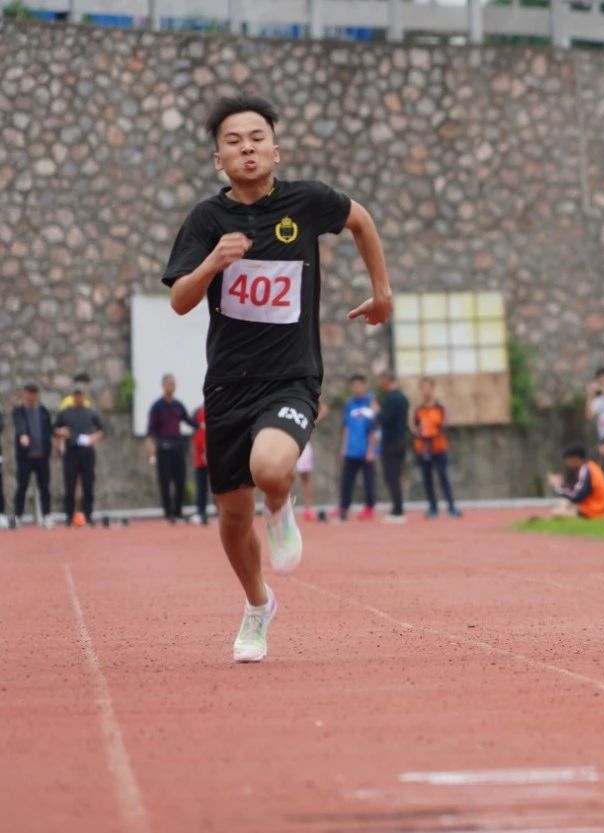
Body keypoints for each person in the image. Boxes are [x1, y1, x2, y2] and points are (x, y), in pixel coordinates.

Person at [163, 92, 392, 662]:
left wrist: (382, 293)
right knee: (231, 516)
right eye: (234, 141)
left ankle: (281, 504)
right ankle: (257, 606)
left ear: (276, 149)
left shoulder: (307, 203)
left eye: (256, 138)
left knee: (271, 468)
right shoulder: (206, 220)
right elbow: (179, 301)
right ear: (219, 159)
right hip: (227, 385)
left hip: (291, 376)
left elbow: (360, 220)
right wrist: (213, 262)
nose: (247, 148)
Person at [146, 373, 197, 524]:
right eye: (169, 384)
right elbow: (151, 429)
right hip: (163, 448)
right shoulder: (157, 406)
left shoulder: (178, 405)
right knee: (165, 481)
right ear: (163, 386)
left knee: (180, 480)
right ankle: (168, 513)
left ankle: (178, 511)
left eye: (174, 384)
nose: (172, 386)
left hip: (178, 447)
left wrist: (201, 425)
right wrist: (150, 446)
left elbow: (188, 420)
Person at [53, 384, 105, 527]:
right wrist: (60, 432)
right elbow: (54, 429)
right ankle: (69, 516)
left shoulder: (90, 412)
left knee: (88, 484)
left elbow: (103, 429)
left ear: (84, 396)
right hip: (71, 452)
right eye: (76, 395)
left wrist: (96, 437)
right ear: (72, 396)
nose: (78, 397)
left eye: (80, 394)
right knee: (69, 485)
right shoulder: (65, 413)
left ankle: (88, 515)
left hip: (87, 452)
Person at [413, 377, 460, 518]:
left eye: (427, 387)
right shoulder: (419, 410)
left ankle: (451, 506)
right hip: (424, 448)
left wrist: (436, 432)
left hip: (438, 447)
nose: (425, 391)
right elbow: (415, 427)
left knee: (443, 477)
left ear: (432, 389)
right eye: (423, 388)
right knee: (427, 480)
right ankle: (433, 507)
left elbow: (446, 424)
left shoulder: (440, 408)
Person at [12, 382, 55, 528]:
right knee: (22, 486)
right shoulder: (19, 411)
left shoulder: (43, 411)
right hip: (25, 457)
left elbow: (50, 429)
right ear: (25, 393)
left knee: (45, 487)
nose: (32, 395)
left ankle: (47, 516)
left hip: (42, 456)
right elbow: (19, 424)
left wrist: (57, 438)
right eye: (29, 392)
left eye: (34, 392)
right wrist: (23, 435)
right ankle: (18, 516)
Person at [338, 374, 379, 522]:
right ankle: (343, 507)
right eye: (354, 385)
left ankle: (369, 507)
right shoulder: (350, 405)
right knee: (347, 480)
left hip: (366, 450)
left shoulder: (371, 404)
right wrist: (343, 447)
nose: (357, 388)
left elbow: (374, 429)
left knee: (369, 481)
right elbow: (347, 428)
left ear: (364, 386)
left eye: (359, 385)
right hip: (351, 449)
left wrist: (371, 449)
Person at [547, 443, 604, 520]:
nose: (567, 464)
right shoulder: (592, 467)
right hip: (602, 510)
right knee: (564, 505)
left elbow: (577, 496)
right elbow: (575, 488)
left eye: (568, 461)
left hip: (595, 512)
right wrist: (561, 486)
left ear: (574, 459)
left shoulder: (586, 470)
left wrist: (557, 486)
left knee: (556, 513)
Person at [377, 370, 410, 523]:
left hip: (391, 443)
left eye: (381, 380)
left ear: (387, 380)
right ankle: (397, 507)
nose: (379, 384)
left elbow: (383, 418)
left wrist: (376, 411)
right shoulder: (403, 397)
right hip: (401, 441)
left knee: (392, 477)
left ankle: (398, 510)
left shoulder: (391, 399)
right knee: (396, 476)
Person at [295, 401, 328, 522]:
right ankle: (282, 510)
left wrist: (311, 422)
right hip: (285, 441)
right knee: (283, 477)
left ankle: (308, 509)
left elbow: (324, 408)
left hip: (303, 443)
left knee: (305, 477)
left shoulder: (305, 392)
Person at [190, 405, 209, 525]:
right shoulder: (200, 412)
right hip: (201, 459)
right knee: (201, 487)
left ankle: (221, 511)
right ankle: (201, 511)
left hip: (214, 457)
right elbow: (199, 435)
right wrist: (204, 450)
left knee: (218, 487)